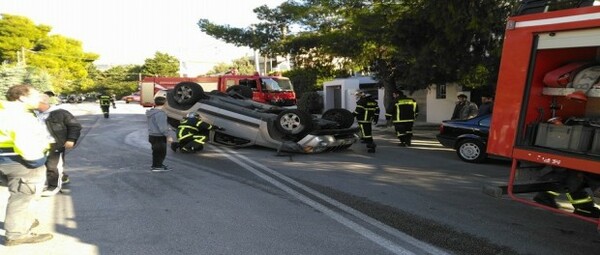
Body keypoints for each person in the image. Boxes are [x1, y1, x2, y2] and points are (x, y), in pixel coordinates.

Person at [0, 84, 53, 246]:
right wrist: (38, 161)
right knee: (24, 196)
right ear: (22, 97)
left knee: (23, 195)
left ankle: (24, 221)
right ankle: (17, 234)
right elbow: (26, 142)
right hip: (22, 162)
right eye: (35, 95)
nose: (39, 98)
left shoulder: (9, 111)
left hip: (9, 159)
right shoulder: (17, 115)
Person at [37, 94, 82, 196]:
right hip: (38, 144)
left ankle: (53, 187)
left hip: (55, 143)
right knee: (44, 165)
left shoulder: (60, 113)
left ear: (42, 102)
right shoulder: (32, 114)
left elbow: (75, 126)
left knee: (52, 166)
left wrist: (71, 139)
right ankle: (62, 177)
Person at [146, 96, 173, 172]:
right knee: (161, 152)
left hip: (152, 135)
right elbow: (162, 127)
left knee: (157, 152)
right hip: (159, 136)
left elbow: (156, 124)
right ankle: (157, 166)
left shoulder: (152, 112)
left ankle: (158, 165)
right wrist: (168, 136)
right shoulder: (161, 113)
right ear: (165, 104)